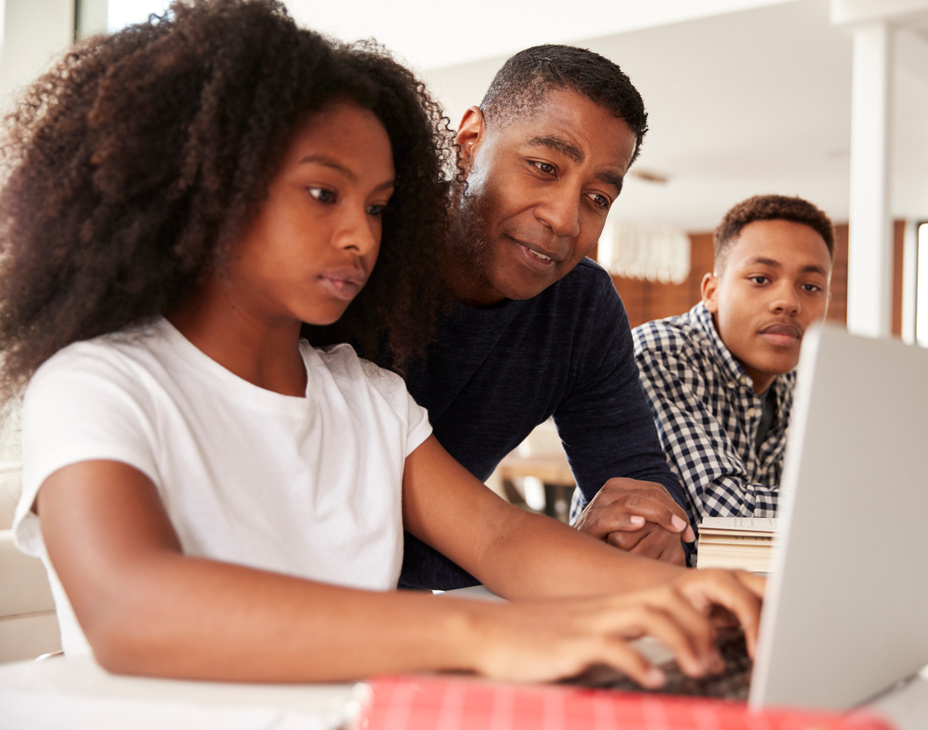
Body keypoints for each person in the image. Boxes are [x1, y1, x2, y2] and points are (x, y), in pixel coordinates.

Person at [0, 0, 763, 685]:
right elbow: (130, 607)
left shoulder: (365, 397)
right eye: (324, 193)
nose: (360, 234)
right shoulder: (98, 384)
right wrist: (485, 634)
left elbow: (504, 541)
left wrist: (705, 594)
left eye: (378, 205)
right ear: (213, 186)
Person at [374, 45, 696, 591]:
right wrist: (566, 550)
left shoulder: (581, 308)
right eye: (544, 168)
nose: (566, 219)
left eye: (597, 198)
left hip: (433, 604)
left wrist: (646, 528)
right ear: (471, 142)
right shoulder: (357, 255)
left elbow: (635, 478)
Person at [632, 195, 834, 531]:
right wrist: (858, 510)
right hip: (636, 581)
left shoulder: (798, 378)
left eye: (810, 286)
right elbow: (719, 516)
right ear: (712, 292)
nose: (788, 302)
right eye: (760, 279)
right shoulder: (663, 353)